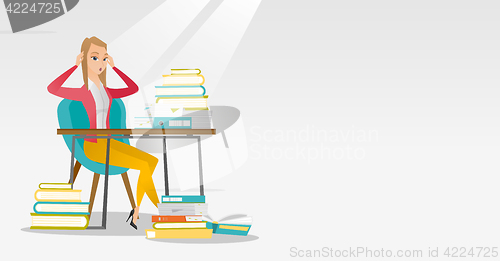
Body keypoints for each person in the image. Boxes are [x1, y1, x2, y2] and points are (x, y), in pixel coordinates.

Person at [47, 36, 159, 230]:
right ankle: (149, 209)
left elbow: (133, 88)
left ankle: (141, 210)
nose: (101, 63)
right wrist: (74, 67)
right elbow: (52, 88)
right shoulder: (83, 92)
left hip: (112, 143)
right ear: (84, 59)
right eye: (94, 57)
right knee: (143, 164)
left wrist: (115, 68)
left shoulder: (106, 91)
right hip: (93, 147)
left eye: (104, 58)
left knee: (151, 161)